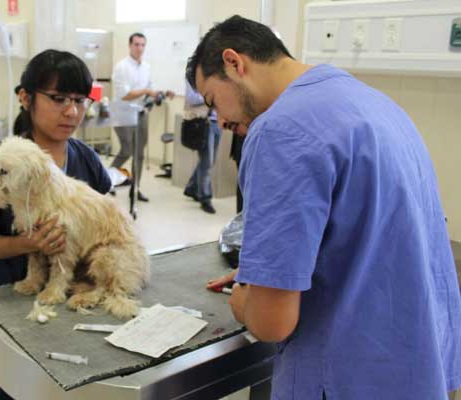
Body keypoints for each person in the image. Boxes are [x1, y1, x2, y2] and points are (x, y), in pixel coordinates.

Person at [187, 15, 461, 400]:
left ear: (234, 62)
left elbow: (272, 323)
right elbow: (368, 237)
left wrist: (250, 298)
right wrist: (268, 270)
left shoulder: (280, 131)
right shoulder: (377, 105)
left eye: (214, 101)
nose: (221, 121)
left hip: (345, 376)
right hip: (414, 369)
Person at [0, 49, 112, 400]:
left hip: (70, 303)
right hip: (10, 300)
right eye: (58, 99)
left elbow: (105, 219)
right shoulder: (1, 164)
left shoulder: (85, 159)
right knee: (6, 386)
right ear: (25, 98)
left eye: (79, 100)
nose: (71, 111)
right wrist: (31, 244)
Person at [111, 32, 174, 202]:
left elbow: (150, 88)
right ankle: (107, 179)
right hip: (123, 114)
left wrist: (161, 93)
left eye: (142, 45)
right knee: (126, 150)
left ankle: (135, 189)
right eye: (137, 44)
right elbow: (125, 95)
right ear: (130, 45)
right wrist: (147, 91)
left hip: (140, 114)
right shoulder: (122, 67)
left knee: (139, 154)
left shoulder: (146, 67)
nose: (140, 48)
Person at [183, 81, 221, 214]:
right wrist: (210, 97)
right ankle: (205, 198)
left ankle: (192, 187)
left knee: (209, 160)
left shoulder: (217, 75)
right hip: (203, 122)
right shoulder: (193, 76)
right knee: (207, 162)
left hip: (217, 121)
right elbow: (191, 98)